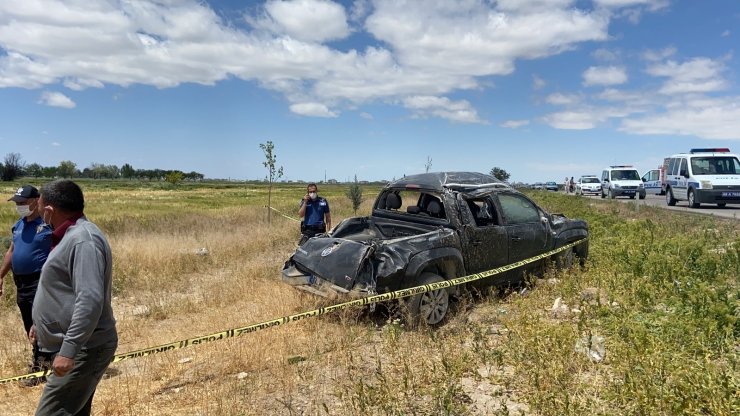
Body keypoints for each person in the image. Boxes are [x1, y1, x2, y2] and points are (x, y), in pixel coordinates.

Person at [30, 180, 117, 415]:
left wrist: (68, 351)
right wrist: (41, 323)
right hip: (79, 344)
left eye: (38, 204)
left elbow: (89, 299)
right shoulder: (70, 234)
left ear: (49, 210)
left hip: (85, 347)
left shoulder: (82, 240)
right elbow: (64, 289)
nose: (35, 209)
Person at [0, 185, 52, 386]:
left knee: (39, 324)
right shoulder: (18, 225)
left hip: (39, 281)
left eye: (23, 202)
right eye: (17, 203)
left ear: (36, 201)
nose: (19, 206)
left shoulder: (47, 225)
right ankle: (42, 362)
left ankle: (40, 369)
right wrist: (1, 275)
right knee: (29, 324)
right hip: (21, 283)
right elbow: (11, 252)